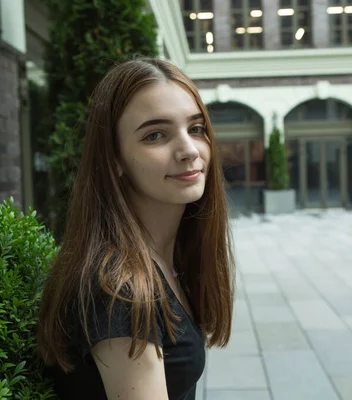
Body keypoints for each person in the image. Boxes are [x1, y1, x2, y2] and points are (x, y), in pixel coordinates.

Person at [36, 57, 236, 400]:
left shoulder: (163, 258)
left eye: (196, 128)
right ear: (115, 159)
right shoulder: (120, 290)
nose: (189, 150)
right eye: (155, 135)